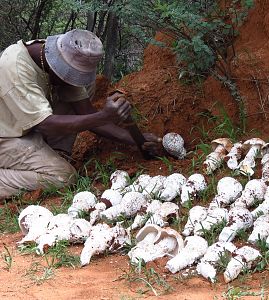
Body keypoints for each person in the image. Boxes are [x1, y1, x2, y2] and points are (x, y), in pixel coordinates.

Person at [0, 29, 161, 199]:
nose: (74, 79)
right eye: (71, 74)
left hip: (27, 126)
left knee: (83, 87)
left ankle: (55, 153)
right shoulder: (15, 68)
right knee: (62, 177)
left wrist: (135, 139)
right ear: (56, 64)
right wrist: (104, 116)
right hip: (7, 137)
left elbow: (85, 112)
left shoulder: (56, 53)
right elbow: (46, 126)